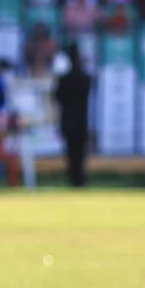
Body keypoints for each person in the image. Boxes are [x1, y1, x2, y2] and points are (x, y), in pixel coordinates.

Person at [53, 43, 92, 187]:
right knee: (80, 153)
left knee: (71, 153)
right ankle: (80, 179)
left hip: (68, 121)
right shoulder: (85, 78)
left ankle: (73, 179)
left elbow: (57, 98)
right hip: (82, 120)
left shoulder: (63, 80)